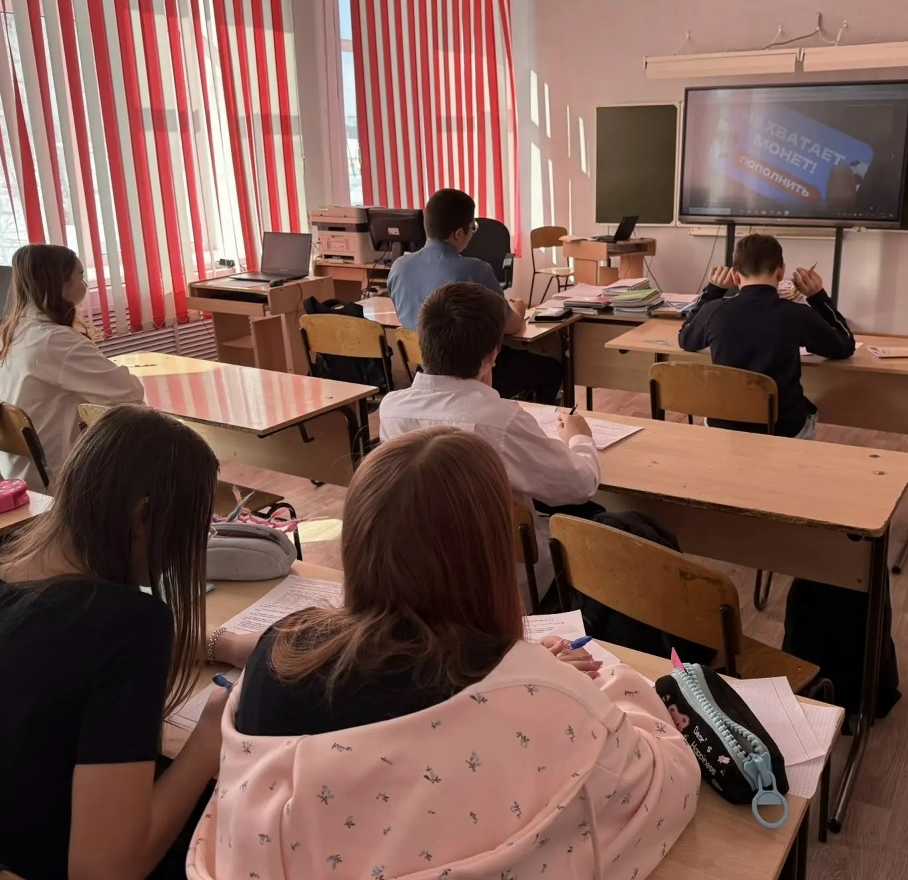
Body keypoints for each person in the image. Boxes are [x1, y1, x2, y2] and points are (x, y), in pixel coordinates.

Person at [187, 427, 699, 880]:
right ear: (490, 553)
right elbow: (666, 786)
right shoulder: (554, 700)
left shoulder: (276, 652)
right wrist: (600, 686)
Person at [0, 405, 233, 880]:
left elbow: (54, 641)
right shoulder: (131, 625)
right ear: (143, 517)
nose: (194, 545)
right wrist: (208, 737)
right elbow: (104, 873)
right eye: (194, 528)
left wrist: (220, 643)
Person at [379, 281, 599, 580]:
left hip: (425, 574)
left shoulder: (391, 409)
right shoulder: (500, 421)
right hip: (505, 577)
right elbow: (580, 486)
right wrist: (580, 438)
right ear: (492, 356)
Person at [0, 243, 145, 488]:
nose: (85, 285)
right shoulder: (56, 341)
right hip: (56, 477)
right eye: (80, 277)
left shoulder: (16, 331)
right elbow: (129, 392)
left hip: (15, 470)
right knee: (150, 440)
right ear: (59, 285)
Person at [387, 188, 563, 403]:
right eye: (473, 228)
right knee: (552, 369)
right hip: (473, 372)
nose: (472, 234)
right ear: (458, 234)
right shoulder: (474, 270)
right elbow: (510, 326)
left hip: (426, 371)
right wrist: (519, 308)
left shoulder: (399, 268)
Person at [678, 233, 854, 438]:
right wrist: (818, 297)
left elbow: (685, 339)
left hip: (723, 425)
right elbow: (845, 345)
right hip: (783, 429)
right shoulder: (797, 314)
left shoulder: (714, 310)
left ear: (735, 276)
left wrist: (713, 290)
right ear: (781, 272)